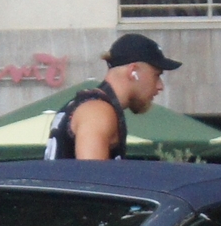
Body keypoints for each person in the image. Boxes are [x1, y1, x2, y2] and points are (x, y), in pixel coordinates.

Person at [46, 33, 180, 160]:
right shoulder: (97, 112)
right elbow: (92, 179)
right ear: (133, 71)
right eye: (156, 75)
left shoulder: (89, 104)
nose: (160, 86)